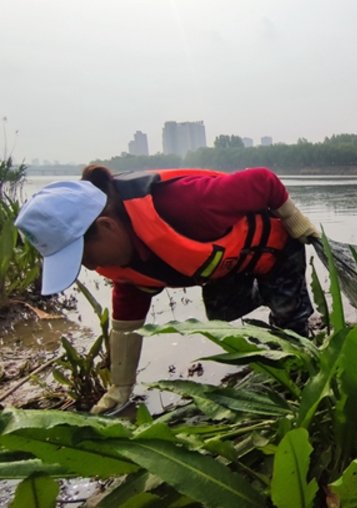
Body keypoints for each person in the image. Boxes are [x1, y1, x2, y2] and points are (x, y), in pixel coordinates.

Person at [15, 165, 319, 414]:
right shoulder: (123, 258)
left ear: (107, 227)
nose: (91, 268)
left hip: (277, 248)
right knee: (223, 313)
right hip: (230, 264)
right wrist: (120, 388)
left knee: (291, 328)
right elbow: (126, 324)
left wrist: (294, 219)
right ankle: (275, 303)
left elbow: (262, 180)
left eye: (85, 257)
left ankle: (294, 324)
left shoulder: (185, 203)